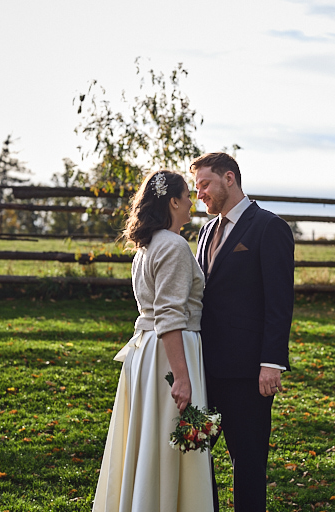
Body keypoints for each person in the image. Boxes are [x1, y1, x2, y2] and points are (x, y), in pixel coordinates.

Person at [92, 170, 214, 512]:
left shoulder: (145, 247)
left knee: (151, 436)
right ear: (173, 202)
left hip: (147, 350)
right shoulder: (173, 245)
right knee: (166, 440)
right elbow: (169, 315)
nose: (191, 203)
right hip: (170, 352)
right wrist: (182, 377)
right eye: (187, 196)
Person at [191, 152, 294, 512]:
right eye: (196, 187)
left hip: (248, 374)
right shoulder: (206, 230)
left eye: (204, 184)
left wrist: (272, 363)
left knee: (248, 463)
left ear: (229, 178)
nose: (199, 193)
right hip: (205, 370)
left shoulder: (269, 227)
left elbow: (279, 302)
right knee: (195, 455)